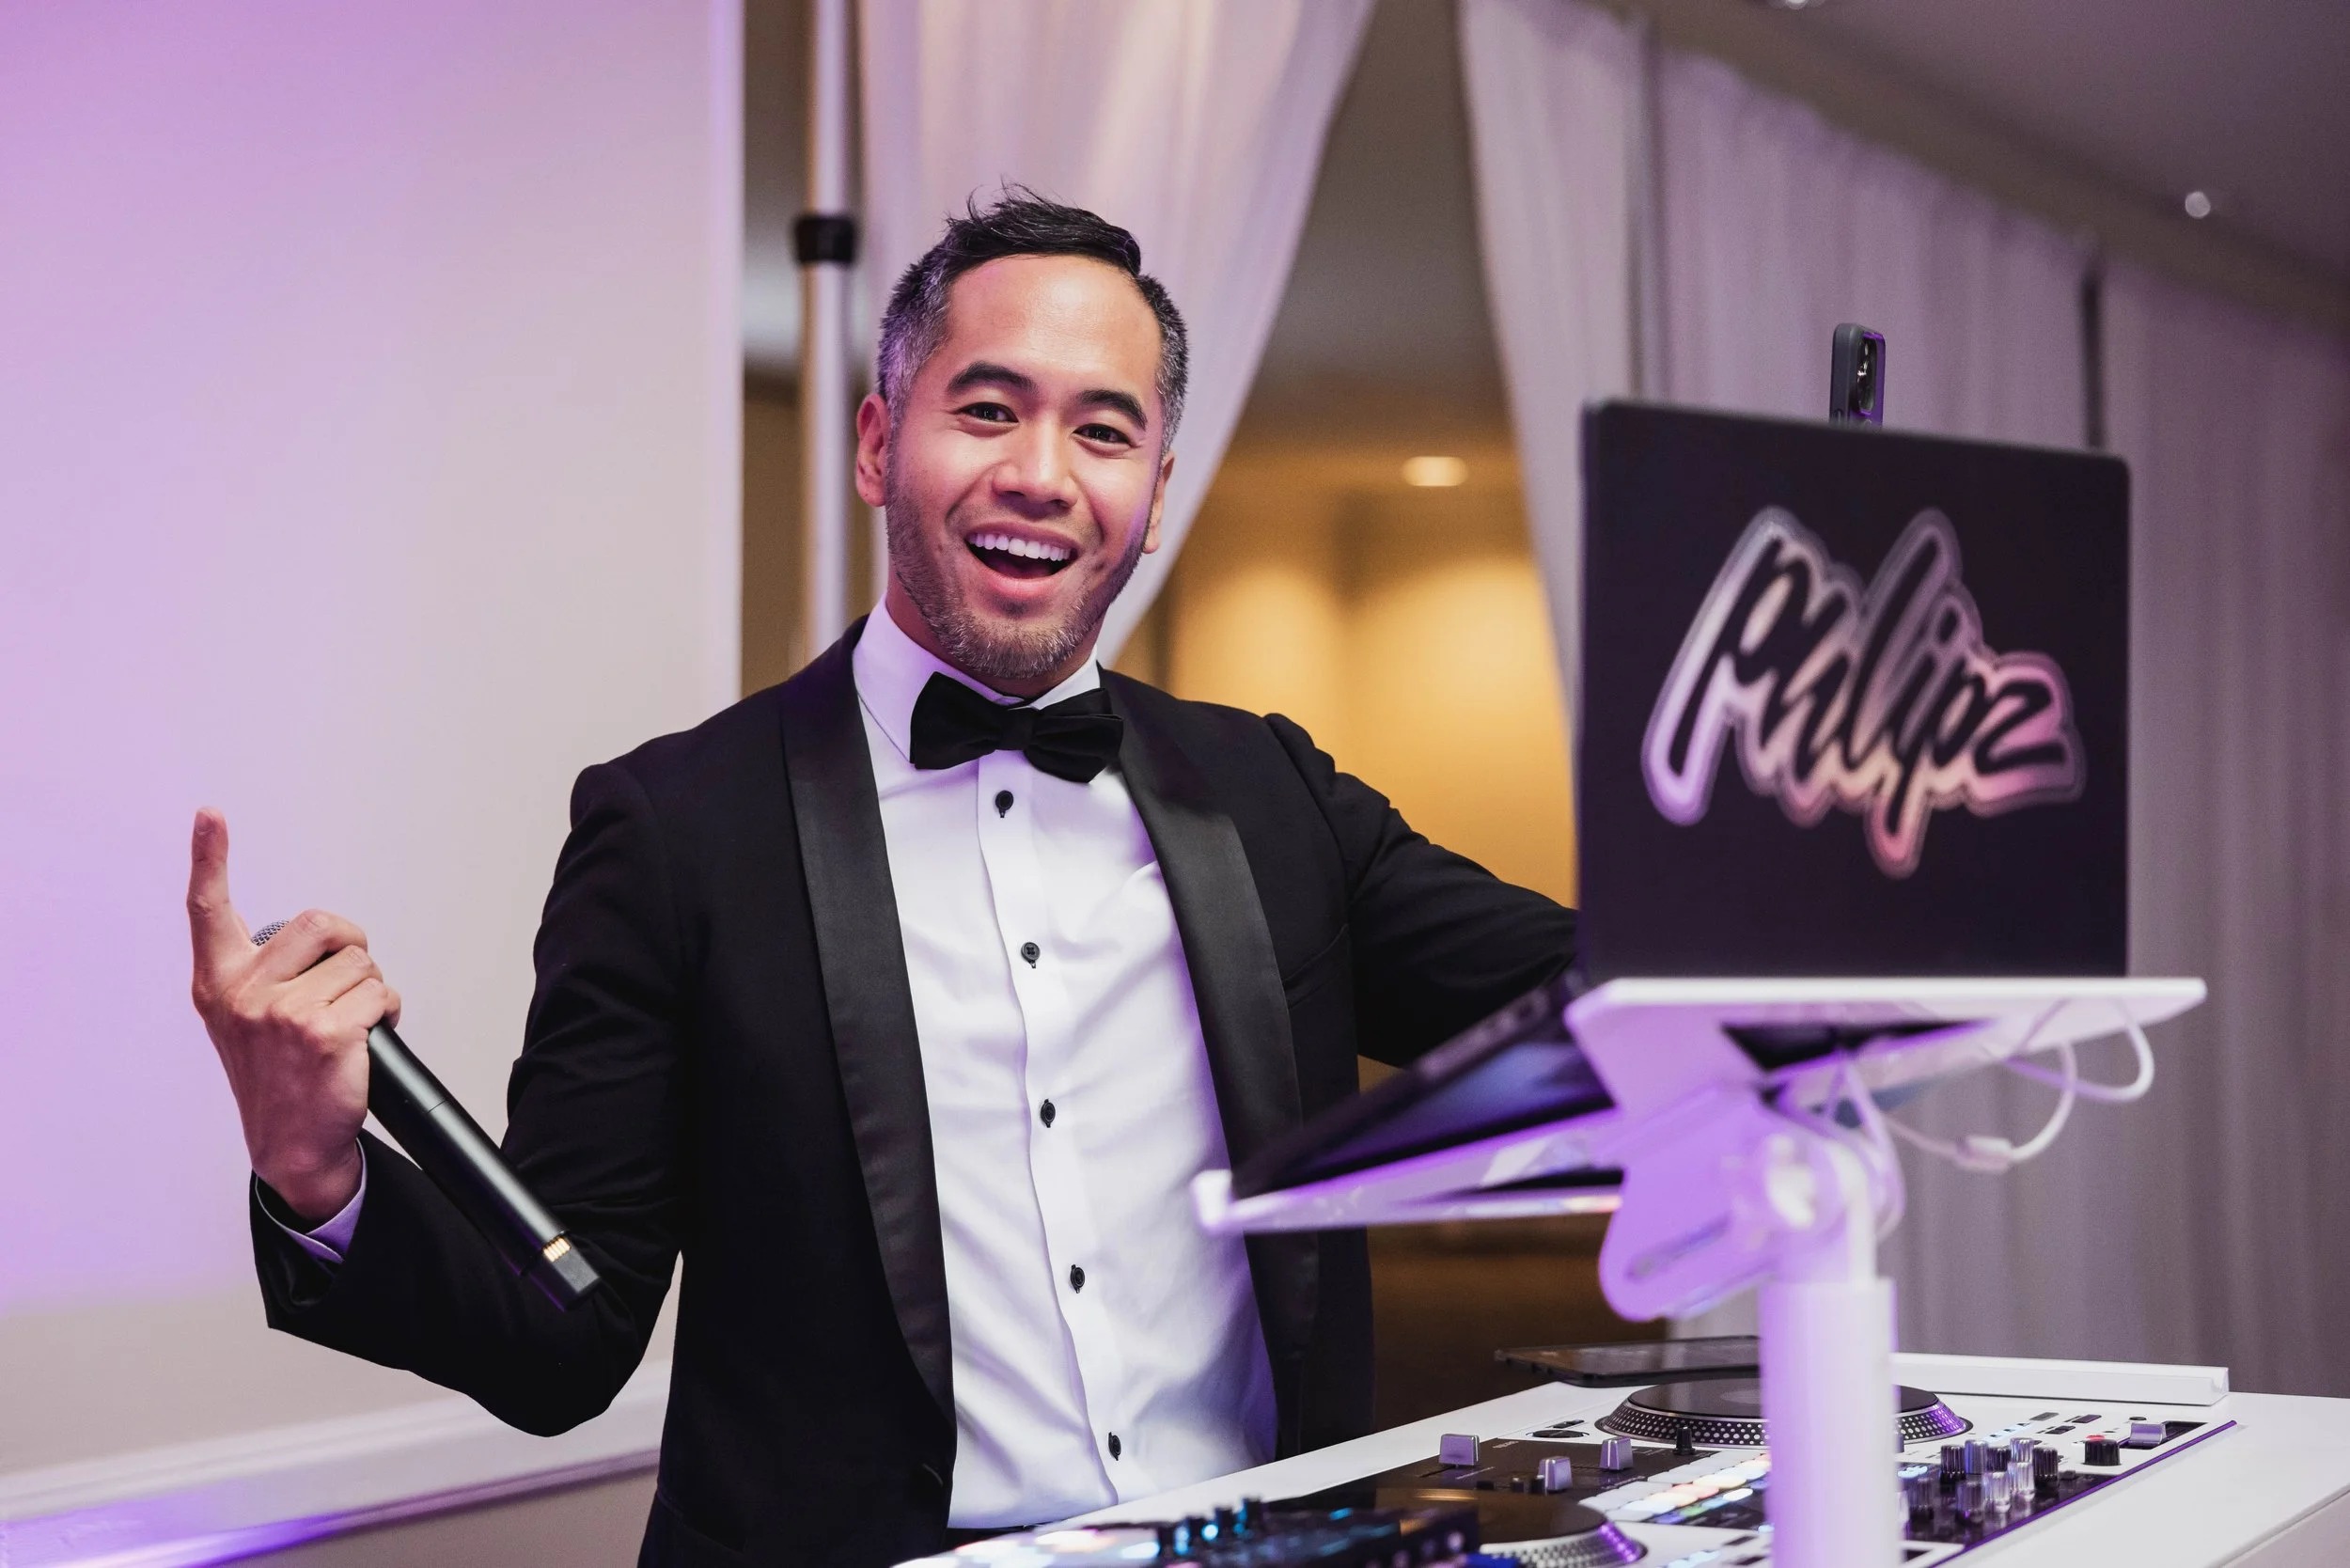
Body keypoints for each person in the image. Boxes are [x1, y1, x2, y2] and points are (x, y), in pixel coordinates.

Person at [187, 191, 1576, 1568]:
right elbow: (564, 1336)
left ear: (1154, 496)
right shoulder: (676, 830)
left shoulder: (1272, 795)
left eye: (1105, 429)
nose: (1043, 470)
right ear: (874, 443)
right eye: (987, 408)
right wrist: (317, 1172)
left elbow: (1608, 994)